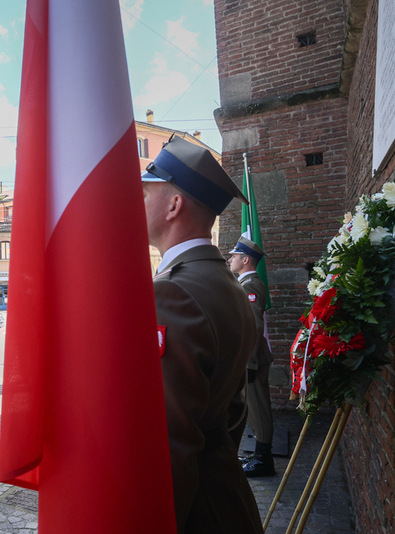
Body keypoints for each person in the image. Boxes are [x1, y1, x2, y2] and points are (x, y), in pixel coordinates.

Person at [141, 135, 264, 533]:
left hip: (196, 512)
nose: (136, 201)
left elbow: (169, 445)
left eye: (146, 193)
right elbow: (234, 409)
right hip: (223, 495)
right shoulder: (222, 281)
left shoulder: (172, 291)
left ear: (175, 205)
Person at [228, 237, 276, 477]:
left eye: (234, 256)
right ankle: (259, 454)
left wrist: (250, 362)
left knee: (259, 408)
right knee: (253, 407)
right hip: (250, 357)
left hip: (253, 358)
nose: (230, 260)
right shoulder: (244, 283)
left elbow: (254, 328)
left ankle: (264, 459)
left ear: (245, 260)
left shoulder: (250, 285)